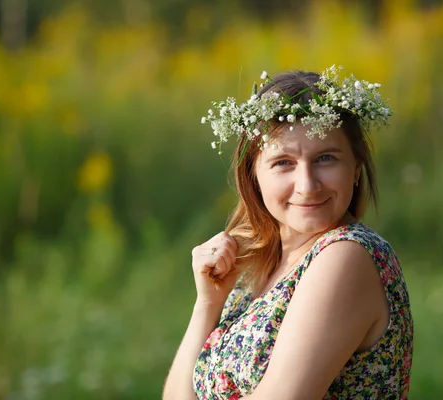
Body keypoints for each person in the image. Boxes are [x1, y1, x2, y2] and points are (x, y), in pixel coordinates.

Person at [164, 66, 413, 400]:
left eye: (326, 158)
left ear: (355, 168)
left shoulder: (346, 255)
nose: (308, 186)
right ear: (253, 175)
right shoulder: (251, 268)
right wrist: (208, 303)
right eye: (283, 162)